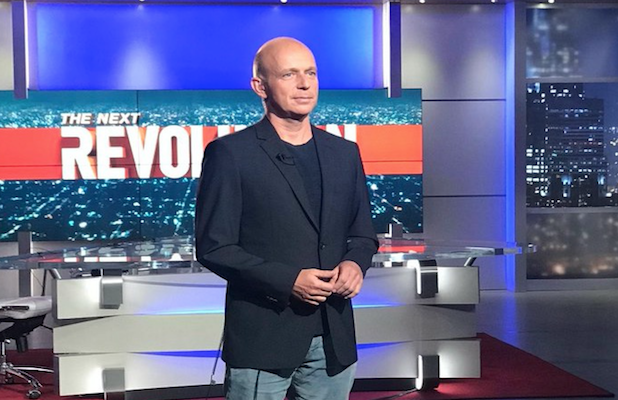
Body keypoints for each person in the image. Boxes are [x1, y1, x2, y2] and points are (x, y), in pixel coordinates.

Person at [195, 37, 378, 400]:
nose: (305, 84)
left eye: (311, 73)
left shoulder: (344, 153)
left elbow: (363, 234)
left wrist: (356, 264)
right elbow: (214, 247)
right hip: (264, 337)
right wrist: (288, 280)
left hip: (334, 336)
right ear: (260, 86)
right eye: (289, 74)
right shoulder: (230, 154)